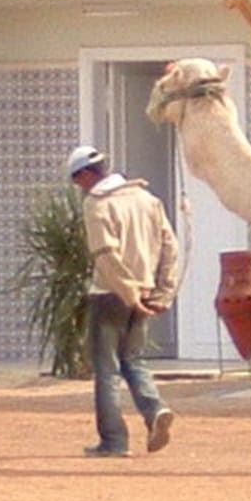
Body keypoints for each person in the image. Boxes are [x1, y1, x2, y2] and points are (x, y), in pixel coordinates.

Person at [67, 145, 178, 458]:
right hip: (144, 291)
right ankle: (155, 409)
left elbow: (105, 255)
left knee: (107, 370)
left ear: (87, 175)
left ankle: (113, 441)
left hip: (109, 295)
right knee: (134, 360)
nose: (79, 187)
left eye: (78, 180)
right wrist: (162, 291)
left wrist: (127, 293)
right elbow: (170, 246)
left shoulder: (97, 204)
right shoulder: (147, 200)